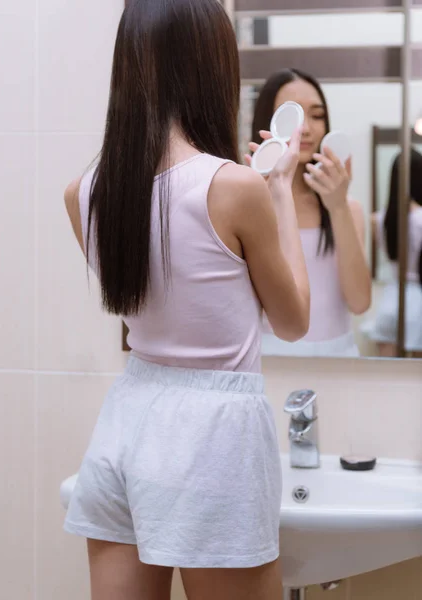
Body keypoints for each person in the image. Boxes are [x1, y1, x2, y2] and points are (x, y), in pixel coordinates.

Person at [62, 2, 310, 599]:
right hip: (214, 443)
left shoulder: (86, 193)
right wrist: (279, 190)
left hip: (125, 424)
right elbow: (294, 320)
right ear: (210, 64)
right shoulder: (233, 186)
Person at [248, 69, 371, 357]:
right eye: (293, 117)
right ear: (269, 121)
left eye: (316, 116)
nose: (305, 129)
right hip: (270, 358)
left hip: (338, 358)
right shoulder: (250, 200)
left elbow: (360, 302)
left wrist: (337, 206)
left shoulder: (348, 207)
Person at [362, 149, 422, 357]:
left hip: (391, 299)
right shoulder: (420, 218)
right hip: (418, 301)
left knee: (387, 376)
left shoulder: (379, 220)